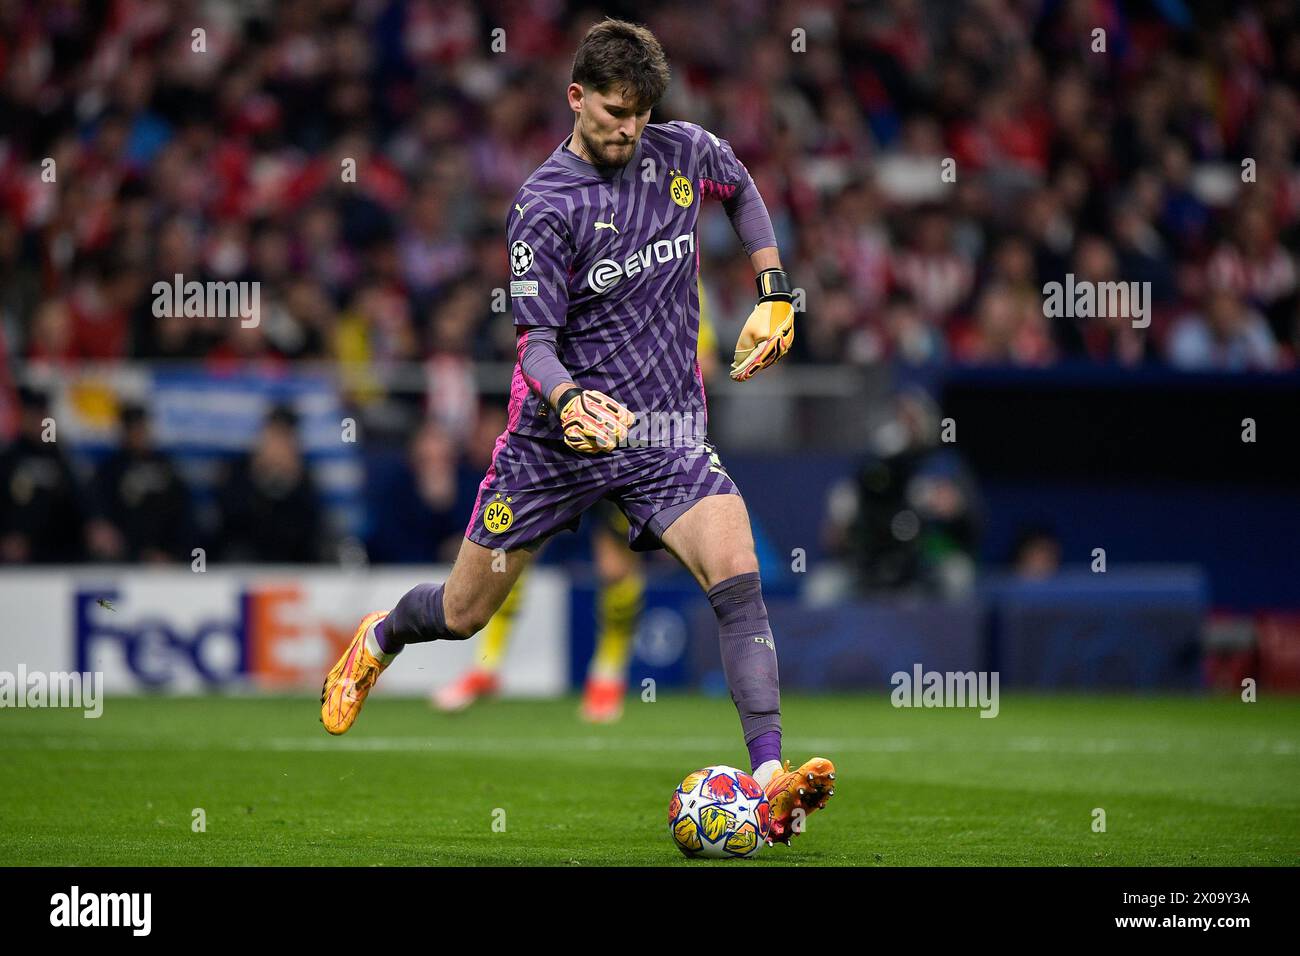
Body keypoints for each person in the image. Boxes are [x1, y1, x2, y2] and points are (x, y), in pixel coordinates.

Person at [319, 18, 834, 845]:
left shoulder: (682, 151)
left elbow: (740, 187)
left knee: (737, 567)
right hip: (554, 448)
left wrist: (776, 289)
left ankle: (771, 777)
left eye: (639, 111)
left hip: (662, 434)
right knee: (461, 613)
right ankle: (379, 636)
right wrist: (566, 403)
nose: (627, 127)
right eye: (612, 109)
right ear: (576, 97)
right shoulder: (544, 206)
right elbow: (537, 345)